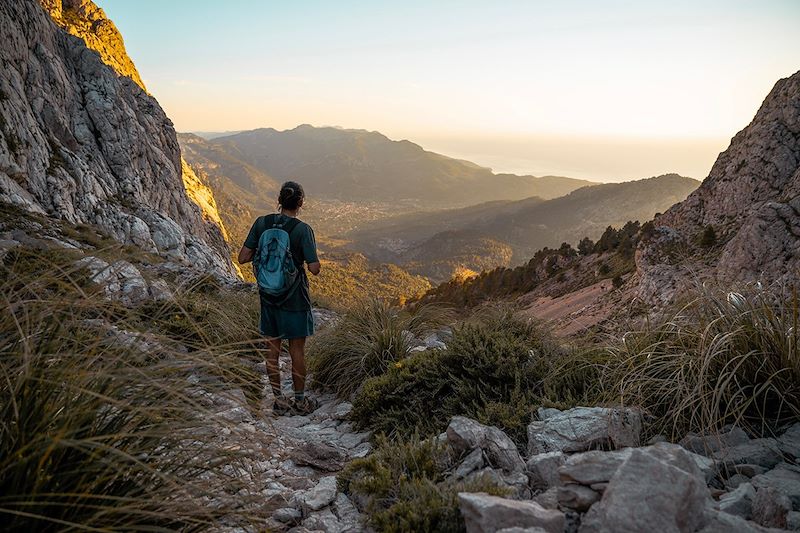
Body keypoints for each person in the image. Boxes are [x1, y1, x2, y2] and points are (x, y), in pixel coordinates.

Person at [237, 181, 321, 416]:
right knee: (297, 352)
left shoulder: (261, 223)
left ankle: (278, 400)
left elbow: (243, 257)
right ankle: (301, 402)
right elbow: (314, 268)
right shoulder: (302, 230)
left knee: (272, 352)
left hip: (268, 298)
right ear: (301, 203)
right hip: (295, 300)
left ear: (279, 200)